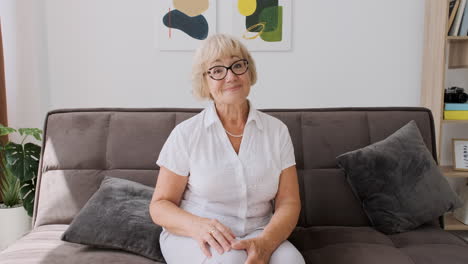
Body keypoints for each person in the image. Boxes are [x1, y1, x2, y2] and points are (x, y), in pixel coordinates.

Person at [149, 34, 305, 264]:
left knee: (292, 262)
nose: (231, 76)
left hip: (259, 230)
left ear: (249, 71)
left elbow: (289, 202)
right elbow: (160, 206)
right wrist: (198, 226)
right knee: (230, 261)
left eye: (237, 65)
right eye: (217, 70)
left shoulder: (277, 131)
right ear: (205, 82)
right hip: (197, 234)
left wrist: (266, 242)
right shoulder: (186, 134)